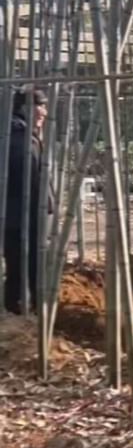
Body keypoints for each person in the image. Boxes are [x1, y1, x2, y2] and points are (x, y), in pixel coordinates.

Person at [3, 87, 51, 314]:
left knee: (22, 262)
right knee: (26, 262)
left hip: (20, 212)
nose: (44, 112)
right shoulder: (18, 140)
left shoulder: (22, 134)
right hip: (21, 213)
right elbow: (27, 181)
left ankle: (21, 307)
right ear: (24, 109)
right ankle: (24, 309)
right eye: (40, 106)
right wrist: (39, 208)